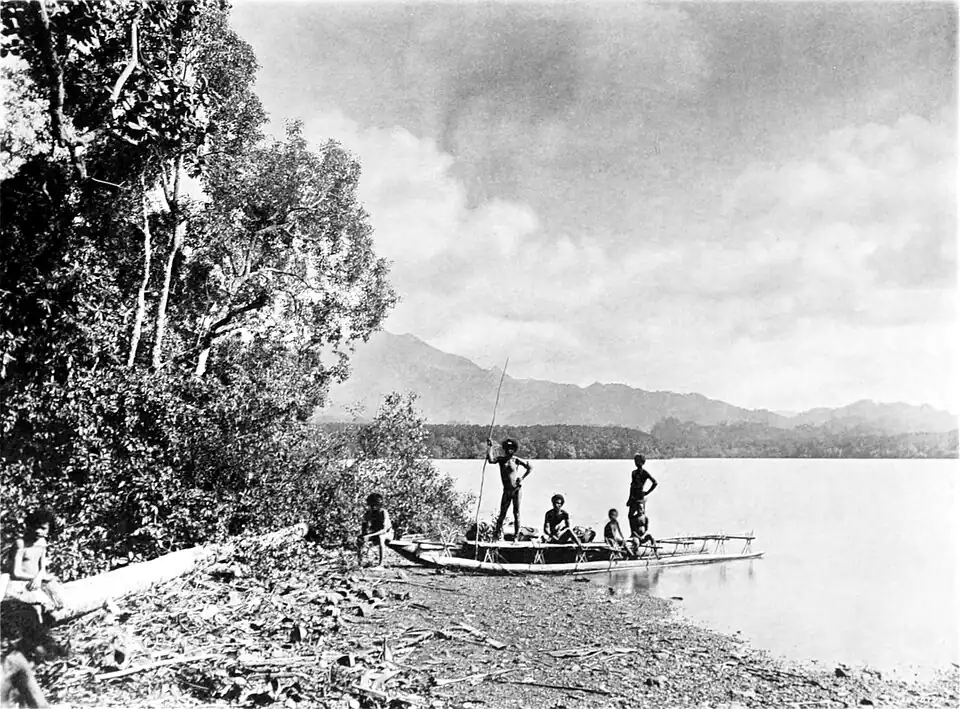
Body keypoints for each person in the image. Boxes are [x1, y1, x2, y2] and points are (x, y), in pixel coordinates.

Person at [3, 509, 63, 613]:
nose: (38, 531)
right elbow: (16, 573)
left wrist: (40, 577)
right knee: (36, 609)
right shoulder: (20, 543)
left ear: (49, 530)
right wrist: (36, 578)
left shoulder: (42, 543)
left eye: (43, 528)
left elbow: (42, 568)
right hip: (20, 583)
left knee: (57, 603)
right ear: (29, 525)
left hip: (36, 582)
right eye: (35, 526)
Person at [486, 437, 533, 540]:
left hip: (516, 490)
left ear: (514, 449)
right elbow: (490, 460)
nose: (510, 450)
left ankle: (516, 537)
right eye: (508, 448)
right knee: (502, 513)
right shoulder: (501, 460)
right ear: (505, 449)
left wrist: (522, 478)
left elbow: (530, 467)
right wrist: (490, 447)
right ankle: (496, 535)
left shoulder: (516, 460)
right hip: (506, 491)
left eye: (512, 448)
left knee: (516, 513)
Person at [358, 493, 394, 567]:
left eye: (375, 505)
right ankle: (360, 563)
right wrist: (363, 536)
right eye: (371, 505)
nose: (373, 507)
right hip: (375, 534)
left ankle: (381, 564)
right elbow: (364, 527)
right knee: (359, 539)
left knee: (381, 537)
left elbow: (384, 530)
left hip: (388, 534)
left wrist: (370, 535)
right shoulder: (368, 513)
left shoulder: (383, 512)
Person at [626, 454, 657, 538]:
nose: (636, 463)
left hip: (640, 497)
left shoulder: (644, 472)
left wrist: (647, 492)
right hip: (633, 497)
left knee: (641, 515)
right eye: (635, 461)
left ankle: (643, 532)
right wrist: (629, 499)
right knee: (630, 516)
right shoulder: (633, 473)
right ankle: (633, 533)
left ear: (642, 462)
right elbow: (632, 486)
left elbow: (655, 482)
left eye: (638, 461)